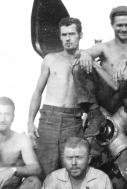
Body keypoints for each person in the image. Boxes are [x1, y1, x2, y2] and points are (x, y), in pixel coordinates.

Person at [73, 6, 127, 136]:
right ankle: (94, 114)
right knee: (79, 66)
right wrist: (85, 53)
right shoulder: (104, 47)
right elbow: (82, 52)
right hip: (106, 95)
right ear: (112, 25)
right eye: (119, 25)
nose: (124, 29)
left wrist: (125, 62)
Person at [27, 17, 84, 181]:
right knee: (44, 171)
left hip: (73, 121)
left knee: (73, 171)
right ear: (59, 36)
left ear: (80, 35)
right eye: (64, 34)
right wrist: (30, 123)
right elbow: (37, 92)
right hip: (49, 120)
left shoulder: (86, 60)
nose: (67, 38)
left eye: (72, 34)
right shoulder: (51, 59)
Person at [0, 97, 42, 189]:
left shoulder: (21, 140)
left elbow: (36, 168)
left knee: (34, 181)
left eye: (7, 114)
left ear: (13, 117)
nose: (2, 119)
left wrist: (12, 170)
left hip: (14, 187)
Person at [42, 137, 112, 189]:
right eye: (69, 158)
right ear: (63, 159)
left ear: (89, 159)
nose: (73, 163)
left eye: (78, 157)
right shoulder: (53, 179)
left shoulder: (102, 179)